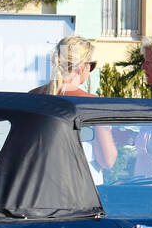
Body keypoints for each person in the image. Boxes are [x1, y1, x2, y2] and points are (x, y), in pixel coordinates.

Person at [36, 35, 117, 177]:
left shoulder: (33, 96)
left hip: (42, 184)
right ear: (81, 67)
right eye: (92, 65)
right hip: (83, 187)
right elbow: (107, 159)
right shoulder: (93, 103)